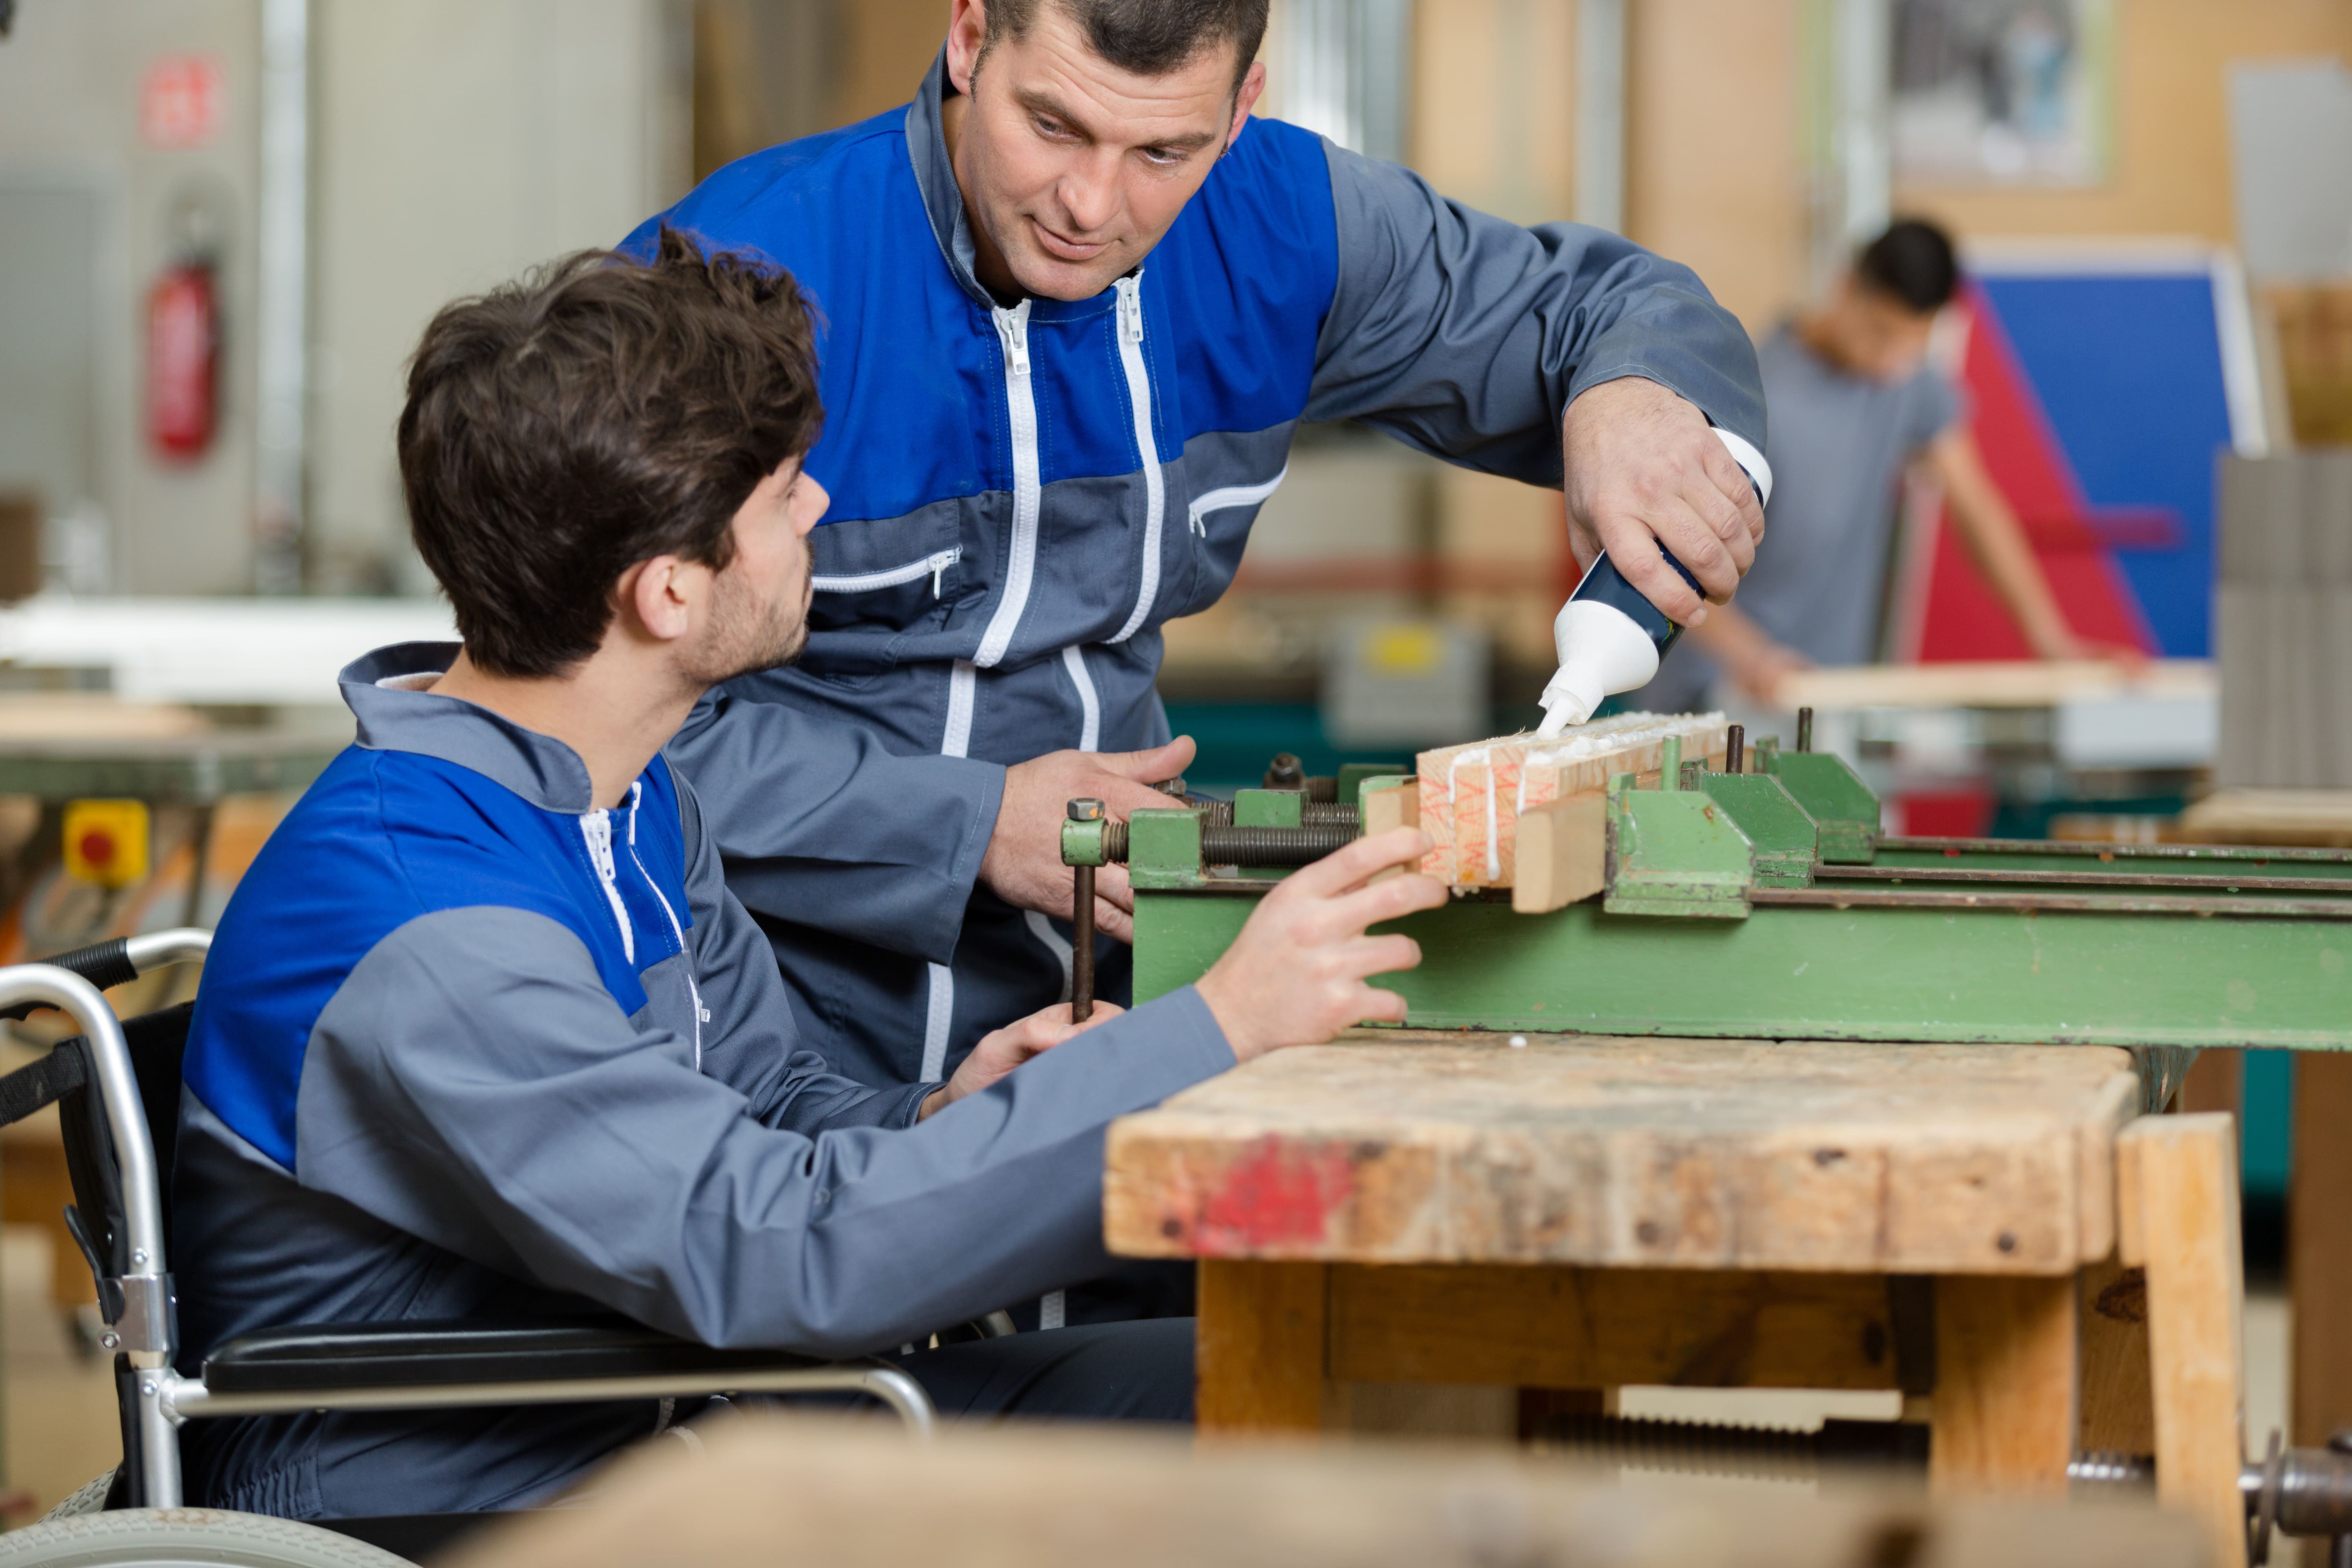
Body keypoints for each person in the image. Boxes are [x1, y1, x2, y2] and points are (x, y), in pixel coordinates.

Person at [170, 232, 1446, 1519]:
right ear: (668, 591)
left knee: (1283, 1386)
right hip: (487, 1497)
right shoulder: (433, 930)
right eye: (782, 495)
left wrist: (936, 1118)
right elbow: (774, 1249)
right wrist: (1217, 1027)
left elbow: (768, 1095)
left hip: (679, 1411)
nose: (819, 509)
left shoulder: (615, 795)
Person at [626, 0, 1772, 1305]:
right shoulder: (744, 279)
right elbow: (575, 716)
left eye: (1162, 151)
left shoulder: (1281, 226)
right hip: (791, 1060)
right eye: (1049, 123)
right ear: (967, 40)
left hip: (1137, 1015)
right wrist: (967, 819)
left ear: (1244, 106)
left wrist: (1631, 390)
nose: (1088, 201)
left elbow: (1610, 305)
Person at [1636, 218, 2113, 714]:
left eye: (1915, 343)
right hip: (1713, 694)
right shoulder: (1745, 393)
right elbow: (1667, 562)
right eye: (1882, 334)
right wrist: (1753, 657)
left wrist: (2049, 640)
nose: (1893, 361)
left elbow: (1977, 509)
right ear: (1846, 288)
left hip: (1825, 699)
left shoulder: (1905, 381)